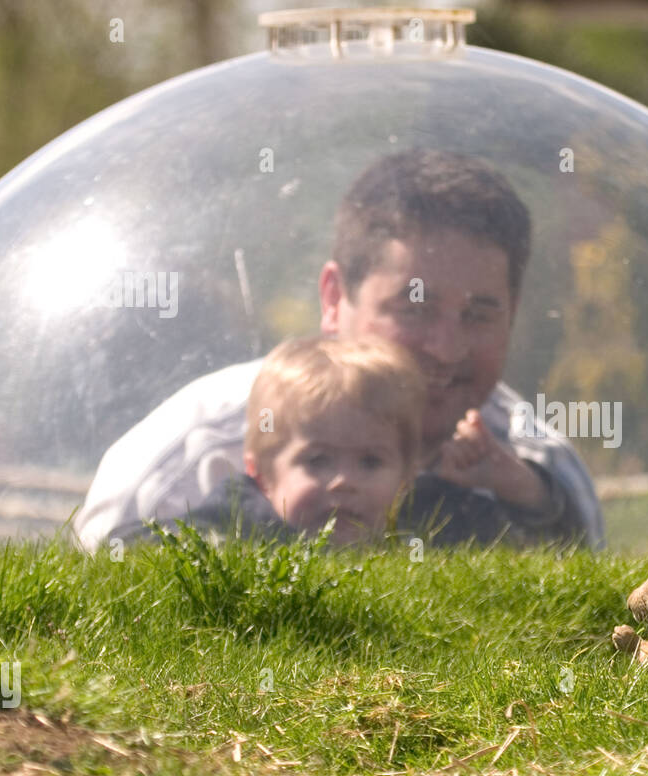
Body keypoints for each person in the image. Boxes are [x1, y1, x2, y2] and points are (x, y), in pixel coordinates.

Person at [73, 148, 604, 553]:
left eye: (479, 313)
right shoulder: (190, 459)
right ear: (333, 298)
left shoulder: (535, 463)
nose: (445, 349)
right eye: (414, 306)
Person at [109, 336, 520, 547]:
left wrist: (522, 488)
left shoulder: (420, 523)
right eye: (317, 461)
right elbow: (144, 545)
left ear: (408, 476)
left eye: (371, 463)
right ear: (262, 474)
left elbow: (513, 544)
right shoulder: (242, 523)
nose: (344, 481)